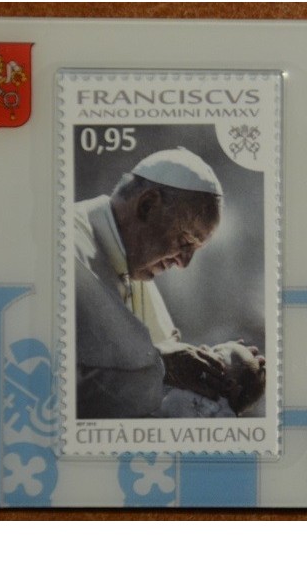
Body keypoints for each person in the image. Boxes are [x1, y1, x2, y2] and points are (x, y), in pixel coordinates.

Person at [74, 147, 234, 418]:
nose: (183, 263)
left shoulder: (132, 262)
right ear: (147, 205)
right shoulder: (65, 248)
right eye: (184, 243)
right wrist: (163, 368)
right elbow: (61, 389)